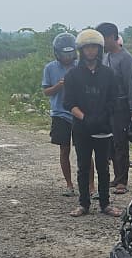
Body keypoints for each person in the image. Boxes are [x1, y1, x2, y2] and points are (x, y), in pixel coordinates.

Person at [62, 29, 121, 217]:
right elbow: (69, 103)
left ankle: (105, 203)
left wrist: (104, 117)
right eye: (87, 47)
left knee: (103, 166)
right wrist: (85, 118)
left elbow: (114, 99)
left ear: (99, 49)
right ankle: (83, 204)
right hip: (81, 127)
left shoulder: (108, 74)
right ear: (81, 50)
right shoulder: (73, 75)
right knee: (83, 165)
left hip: (103, 127)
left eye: (94, 47)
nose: (90, 51)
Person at [96, 22, 132, 195]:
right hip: (107, 106)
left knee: (121, 143)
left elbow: (131, 84)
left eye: (103, 38)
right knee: (110, 144)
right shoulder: (104, 57)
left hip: (122, 106)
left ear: (113, 37)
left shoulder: (125, 58)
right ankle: (116, 177)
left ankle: (122, 181)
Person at [42, 33, 78, 197]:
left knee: (85, 150)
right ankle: (69, 185)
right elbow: (46, 91)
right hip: (60, 114)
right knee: (64, 150)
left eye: (70, 54)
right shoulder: (50, 68)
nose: (67, 57)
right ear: (57, 53)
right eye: (64, 54)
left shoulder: (81, 66)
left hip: (79, 113)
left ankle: (91, 187)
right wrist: (59, 85)